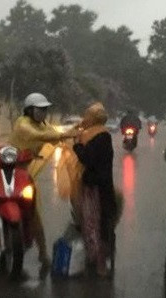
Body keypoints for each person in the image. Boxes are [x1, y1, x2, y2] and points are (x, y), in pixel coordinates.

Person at [0, 93, 78, 271]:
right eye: (40, 109)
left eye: (45, 109)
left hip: (24, 175)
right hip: (3, 171)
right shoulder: (23, 124)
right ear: (30, 110)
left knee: (34, 212)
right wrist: (67, 133)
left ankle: (43, 253)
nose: (43, 113)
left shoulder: (43, 125)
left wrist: (73, 131)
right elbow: (42, 134)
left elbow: (51, 132)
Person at [72, 102, 117, 277]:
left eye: (87, 116)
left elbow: (88, 159)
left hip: (97, 187)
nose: (84, 119)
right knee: (95, 223)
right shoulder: (97, 134)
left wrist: (77, 146)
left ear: (93, 119)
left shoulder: (99, 136)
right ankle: (95, 257)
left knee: (95, 223)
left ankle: (100, 262)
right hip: (97, 185)